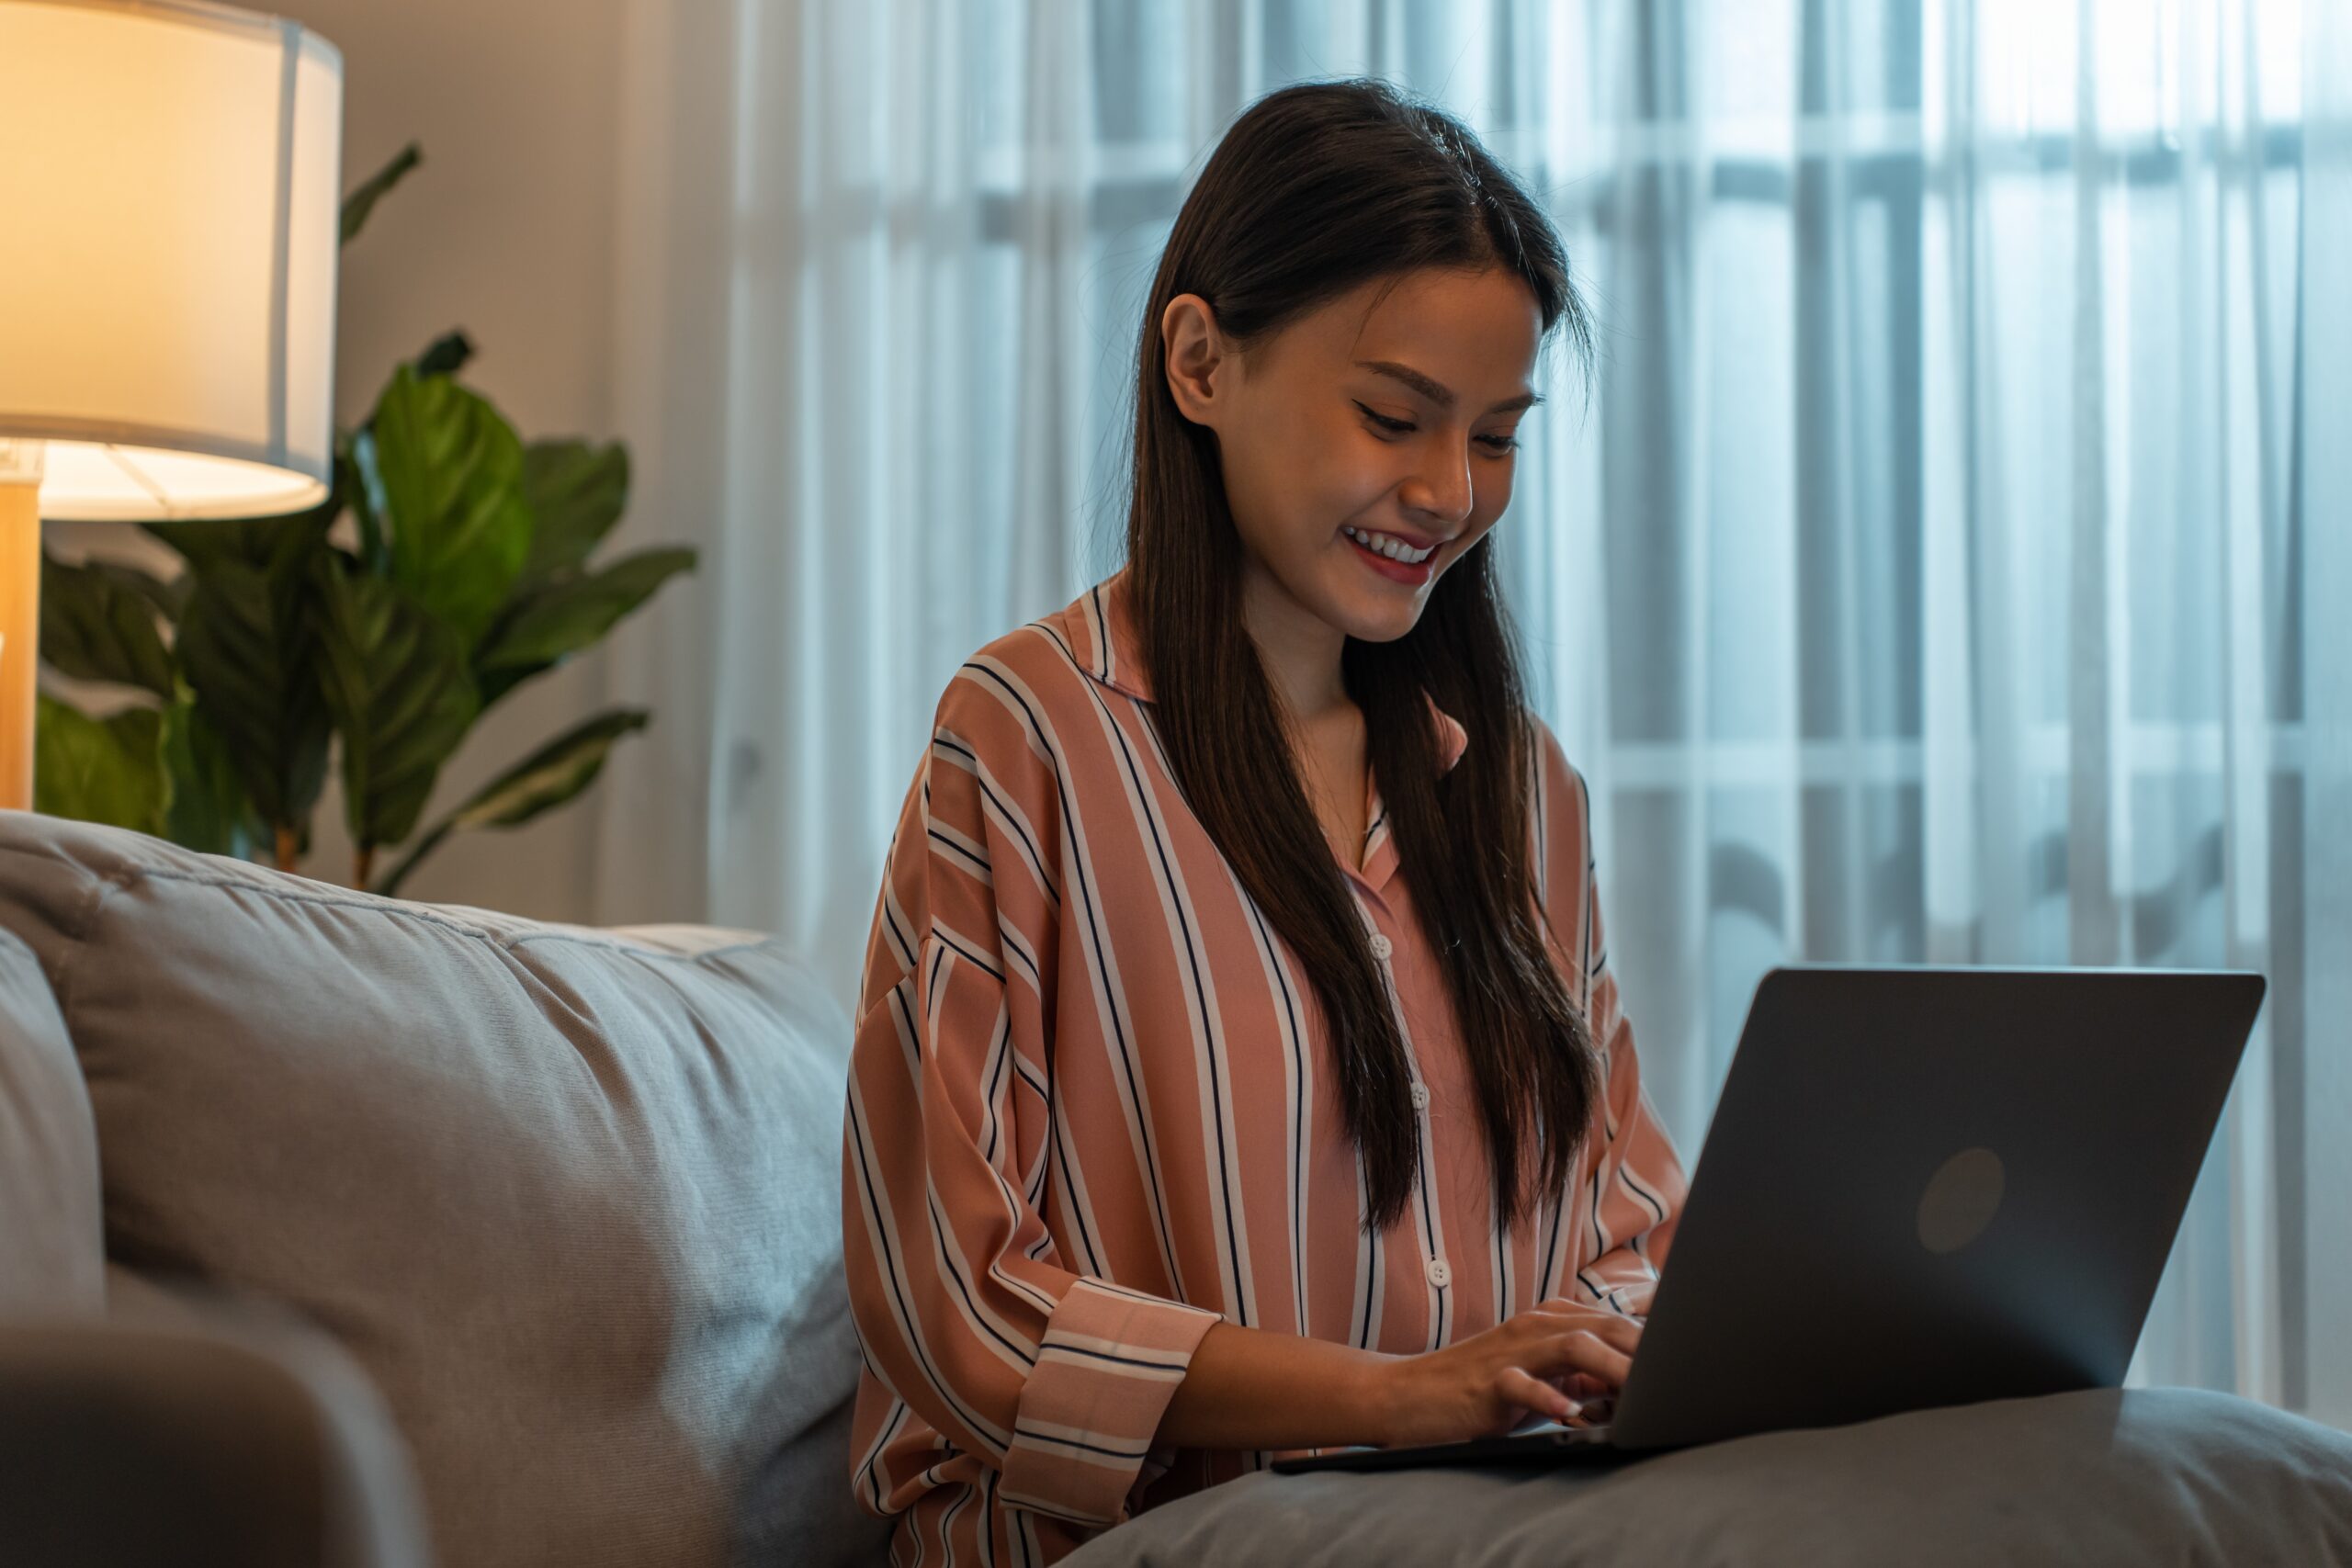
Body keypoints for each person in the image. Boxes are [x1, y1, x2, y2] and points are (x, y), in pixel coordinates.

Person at [840, 76, 1687, 1566]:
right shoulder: (1027, 738)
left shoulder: (1521, 788)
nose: (1447, 491)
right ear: (1199, 362)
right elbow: (958, 1296)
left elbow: (1629, 1227)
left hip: (1482, 1530)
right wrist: (1397, 1399)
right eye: (1391, 416)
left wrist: (1604, 1363)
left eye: (1496, 436)